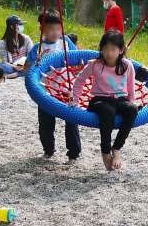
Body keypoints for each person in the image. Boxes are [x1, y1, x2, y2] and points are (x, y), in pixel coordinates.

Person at [71, 31, 138, 172]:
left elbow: (131, 88)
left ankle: (117, 148)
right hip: (99, 100)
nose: (109, 53)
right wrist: (74, 100)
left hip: (120, 99)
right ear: (101, 49)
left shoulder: (127, 66)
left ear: (120, 50)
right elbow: (80, 81)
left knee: (132, 109)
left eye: (113, 49)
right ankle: (106, 151)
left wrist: (132, 103)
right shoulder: (95, 64)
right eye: (105, 49)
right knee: (108, 111)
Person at [25, 10, 81, 162]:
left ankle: (73, 153)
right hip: (45, 91)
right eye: (50, 29)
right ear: (41, 29)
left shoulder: (65, 42)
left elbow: (77, 59)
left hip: (66, 88)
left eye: (58, 28)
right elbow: (26, 69)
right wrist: (36, 62)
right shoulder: (38, 48)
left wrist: (77, 69)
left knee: (71, 120)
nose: (55, 32)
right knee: (46, 123)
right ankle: (48, 150)